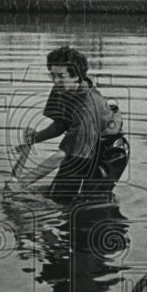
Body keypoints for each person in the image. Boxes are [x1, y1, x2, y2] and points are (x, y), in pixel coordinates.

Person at [10, 45, 129, 202]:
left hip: (108, 151)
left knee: (86, 202)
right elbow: (60, 125)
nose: (55, 81)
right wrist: (36, 137)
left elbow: (61, 156)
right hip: (82, 143)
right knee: (57, 197)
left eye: (61, 76)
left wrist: (22, 183)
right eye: (52, 75)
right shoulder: (60, 89)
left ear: (76, 76)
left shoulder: (87, 106)